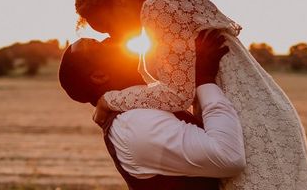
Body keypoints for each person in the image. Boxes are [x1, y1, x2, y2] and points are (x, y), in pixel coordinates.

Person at [75, 0, 307, 190]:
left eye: (107, 26)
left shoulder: (160, 6)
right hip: (249, 110)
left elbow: (177, 94)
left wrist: (109, 100)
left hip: (246, 122)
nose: (113, 36)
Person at [58, 29, 246, 189]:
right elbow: (228, 156)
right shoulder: (135, 123)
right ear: (99, 76)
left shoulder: (145, 105)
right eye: (99, 45)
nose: (109, 39)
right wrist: (204, 80)